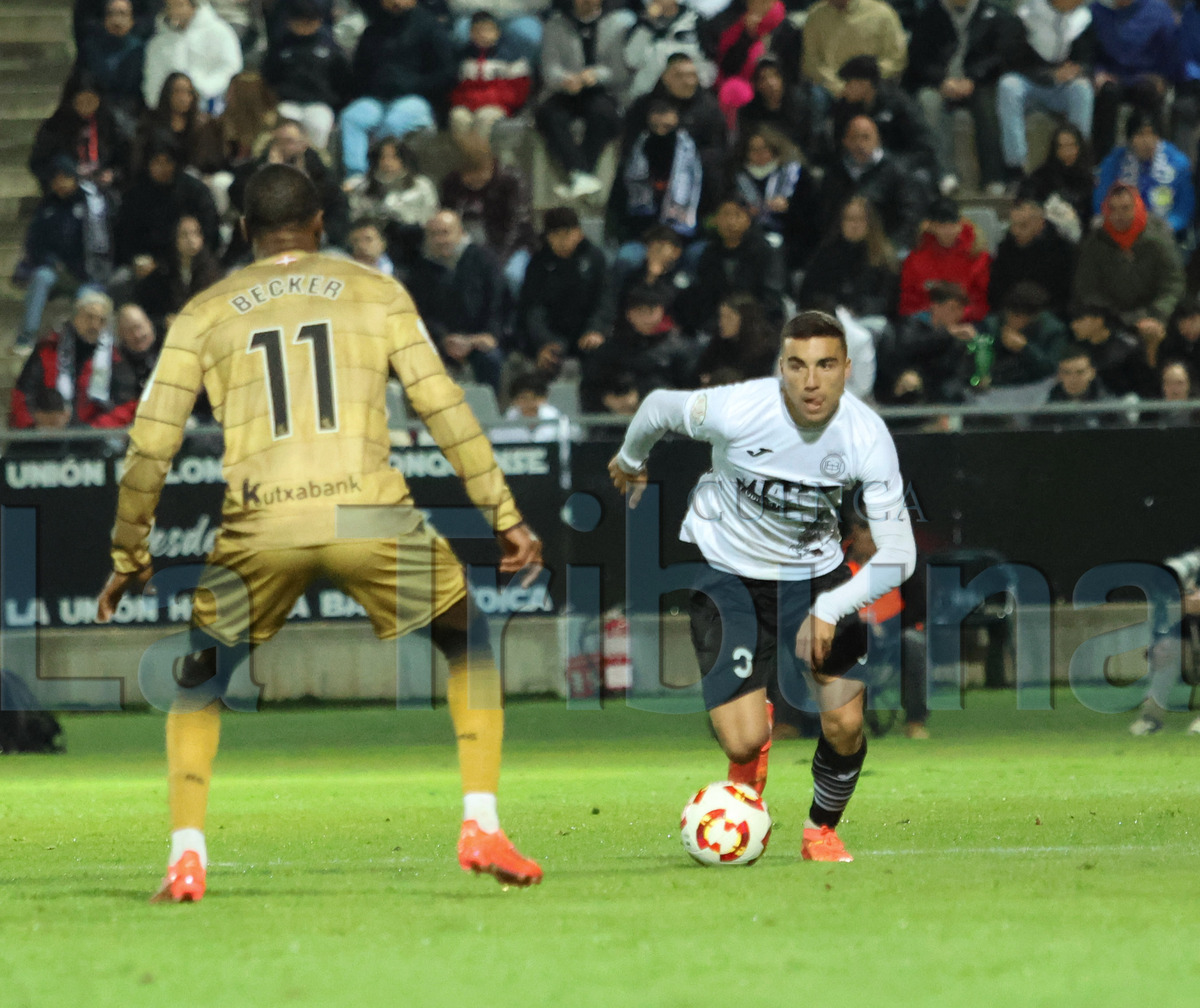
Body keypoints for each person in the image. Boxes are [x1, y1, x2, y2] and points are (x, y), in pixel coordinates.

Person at [94, 163, 544, 902]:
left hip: (262, 518)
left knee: (201, 680)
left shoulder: (206, 311)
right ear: (320, 224)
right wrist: (505, 516)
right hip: (369, 511)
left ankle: (185, 856)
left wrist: (129, 552)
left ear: (242, 231)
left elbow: (149, 446)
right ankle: (481, 821)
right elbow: (446, 409)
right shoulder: (377, 291)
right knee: (468, 637)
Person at [608, 309, 917, 862]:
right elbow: (657, 407)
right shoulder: (738, 409)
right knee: (742, 741)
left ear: (847, 369)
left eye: (825, 365)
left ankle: (820, 828)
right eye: (797, 365)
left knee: (846, 721)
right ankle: (757, 740)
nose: (811, 380)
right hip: (729, 577)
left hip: (820, 582)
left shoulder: (867, 436)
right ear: (781, 368)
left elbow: (900, 554)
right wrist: (631, 458)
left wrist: (833, 607)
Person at [339, 0, 456, 186]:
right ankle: (356, 176)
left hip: (417, 99)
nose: (396, 2)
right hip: (377, 99)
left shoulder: (430, 27)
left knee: (394, 121)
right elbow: (359, 72)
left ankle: (379, 173)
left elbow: (447, 74)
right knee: (352, 117)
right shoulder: (374, 29)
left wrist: (413, 84)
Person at [904, 0, 1008, 196]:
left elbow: (1000, 55)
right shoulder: (930, 15)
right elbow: (918, 59)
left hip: (979, 83)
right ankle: (944, 174)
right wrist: (941, 81)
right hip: (940, 84)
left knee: (988, 106)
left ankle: (993, 178)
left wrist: (974, 78)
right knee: (927, 101)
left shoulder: (992, 13)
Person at [995, 0, 1095, 186]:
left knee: (1082, 90)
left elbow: (1088, 58)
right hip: (1029, 85)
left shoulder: (1082, 18)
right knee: (1008, 86)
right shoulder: (1025, 15)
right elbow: (1012, 60)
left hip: (1061, 88)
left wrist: (1077, 70)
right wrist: (1048, 75)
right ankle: (1016, 167)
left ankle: (1078, 162)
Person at [534, 0, 627, 200]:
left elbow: (619, 71)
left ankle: (580, 174)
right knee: (549, 115)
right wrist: (564, 80)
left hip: (602, 90)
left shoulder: (617, 24)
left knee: (601, 113)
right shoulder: (555, 25)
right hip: (566, 89)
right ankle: (582, 174)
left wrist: (595, 75)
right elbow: (549, 67)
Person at [406, 209, 508, 390]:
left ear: (460, 233)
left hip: (481, 338)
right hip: (440, 341)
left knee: (490, 360)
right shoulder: (420, 270)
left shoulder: (484, 260)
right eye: (434, 234)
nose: (440, 240)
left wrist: (487, 336)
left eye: (445, 233)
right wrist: (444, 338)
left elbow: (499, 303)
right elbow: (418, 312)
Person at [1072, 183, 1184, 341]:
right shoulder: (1095, 242)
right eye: (1113, 209)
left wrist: (1155, 315)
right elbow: (1087, 286)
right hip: (1111, 320)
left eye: (1125, 208)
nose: (1119, 215)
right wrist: (1111, 316)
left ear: (1137, 207)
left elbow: (1173, 283)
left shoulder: (1159, 239)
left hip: (1154, 317)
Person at [514, 206, 610, 378]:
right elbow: (533, 308)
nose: (561, 241)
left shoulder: (595, 258)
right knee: (547, 360)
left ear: (578, 233)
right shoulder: (538, 263)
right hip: (552, 332)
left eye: (566, 234)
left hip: (585, 331)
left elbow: (603, 301)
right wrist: (544, 341)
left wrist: (595, 329)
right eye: (554, 235)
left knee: (599, 355)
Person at [1088, 0, 1177, 159]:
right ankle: (1103, 161)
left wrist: (1162, 76)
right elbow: (1090, 52)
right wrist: (1098, 72)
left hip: (1145, 76)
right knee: (1107, 93)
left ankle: (1159, 158)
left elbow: (1170, 50)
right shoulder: (1098, 10)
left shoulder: (1157, 10)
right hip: (1113, 76)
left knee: (1149, 93)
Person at [1127, 546, 1200, 735]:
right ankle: (1151, 719)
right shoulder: (1176, 571)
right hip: (1183, 617)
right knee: (1166, 652)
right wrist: (1158, 641)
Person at [261, 0, 351, 153]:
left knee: (319, 123)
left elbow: (343, 81)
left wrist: (337, 105)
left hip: (319, 104)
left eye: (309, 20)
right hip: (288, 103)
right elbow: (269, 77)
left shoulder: (330, 48)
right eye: (299, 20)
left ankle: (315, 162)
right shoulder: (281, 47)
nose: (304, 25)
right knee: (283, 123)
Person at [1093, 109, 1194, 241]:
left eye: (1152, 134)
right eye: (1140, 134)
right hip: (1122, 231)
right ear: (1130, 138)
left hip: (1165, 235)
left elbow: (1183, 209)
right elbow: (1100, 200)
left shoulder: (1178, 163)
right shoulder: (1114, 161)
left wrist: (1167, 226)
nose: (1147, 141)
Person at [798, 194, 898, 321]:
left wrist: (859, 308)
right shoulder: (826, 253)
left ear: (871, 223)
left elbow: (887, 302)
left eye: (860, 219)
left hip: (867, 320)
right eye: (849, 219)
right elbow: (808, 293)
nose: (854, 225)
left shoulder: (883, 259)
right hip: (829, 317)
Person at [898, 196, 991, 323]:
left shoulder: (977, 256)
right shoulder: (915, 260)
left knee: (982, 341)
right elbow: (908, 302)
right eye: (942, 225)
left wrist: (959, 314)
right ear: (931, 226)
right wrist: (934, 315)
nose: (948, 231)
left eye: (952, 225)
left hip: (968, 322)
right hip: (927, 324)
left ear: (960, 223)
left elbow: (982, 300)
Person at [142, 0, 244, 113]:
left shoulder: (220, 32)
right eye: (170, 6)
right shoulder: (158, 43)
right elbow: (153, 79)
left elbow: (231, 67)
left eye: (180, 5)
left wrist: (204, 89)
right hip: (168, 115)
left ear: (194, 6)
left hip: (212, 110)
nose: (175, 11)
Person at [988, 195, 1077, 321]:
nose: (1016, 231)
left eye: (1023, 226)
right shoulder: (1005, 249)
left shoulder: (1062, 250)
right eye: (1013, 225)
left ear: (1040, 223)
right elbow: (996, 291)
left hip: (1048, 316)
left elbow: (1065, 294)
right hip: (1009, 315)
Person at [448, 10, 533, 141]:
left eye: (487, 30)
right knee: (458, 117)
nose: (483, 35)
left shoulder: (512, 57)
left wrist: (490, 99)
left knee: (484, 118)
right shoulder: (463, 57)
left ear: (497, 32)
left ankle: (485, 161)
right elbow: (457, 88)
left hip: (498, 106)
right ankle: (471, 159)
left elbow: (519, 90)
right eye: (478, 31)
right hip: (469, 105)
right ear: (471, 33)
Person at [691, 291, 779, 386]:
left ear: (746, 320)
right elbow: (699, 372)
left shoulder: (764, 350)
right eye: (721, 317)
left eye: (729, 318)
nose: (721, 323)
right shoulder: (719, 342)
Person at [1023, 123, 1096, 238]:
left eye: (1071, 146)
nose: (1067, 152)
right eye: (1061, 147)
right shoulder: (1040, 177)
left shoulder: (1089, 179)